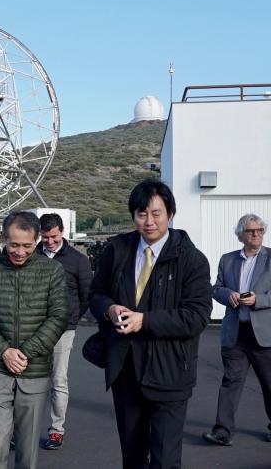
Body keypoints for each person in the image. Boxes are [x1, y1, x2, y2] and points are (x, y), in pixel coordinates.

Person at [88, 179, 213, 469]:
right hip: (126, 370)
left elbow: (197, 316)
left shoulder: (191, 259)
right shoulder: (116, 250)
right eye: (141, 214)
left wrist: (145, 320)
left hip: (170, 373)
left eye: (156, 213)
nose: (149, 221)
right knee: (132, 456)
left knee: (165, 459)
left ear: (170, 214)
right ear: (133, 215)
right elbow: (95, 294)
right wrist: (109, 309)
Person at [0, 211, 68, 469]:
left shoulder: (53, 270)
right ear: (4, 238)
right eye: (14, 244)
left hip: (34, 372)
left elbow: (58, 317)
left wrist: (23, 352)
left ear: (37, 241)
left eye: (27, 246)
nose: (20, 252)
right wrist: (4, 352)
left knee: (27, 447)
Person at [203, 213, 271, 446]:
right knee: (230, 382)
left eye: (260, 230)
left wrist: (258, 299)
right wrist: (227, 295)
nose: (256, 234)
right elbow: (217, 288)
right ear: (240, 235)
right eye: (251, 230)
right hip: (236, 333)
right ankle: (222, 431)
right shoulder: (228, 259)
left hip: (266, 334)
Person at [37, 213, 93, 451]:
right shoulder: (32, 254)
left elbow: (86, 294)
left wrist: (71, 320)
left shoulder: (78, 260)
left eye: (53, 236)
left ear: (62, 232)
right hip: (34, 328)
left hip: (62, 330)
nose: (49, 241)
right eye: (45, 237)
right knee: (29, 382)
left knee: (58, 380)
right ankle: (21, 429)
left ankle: (56, 430)